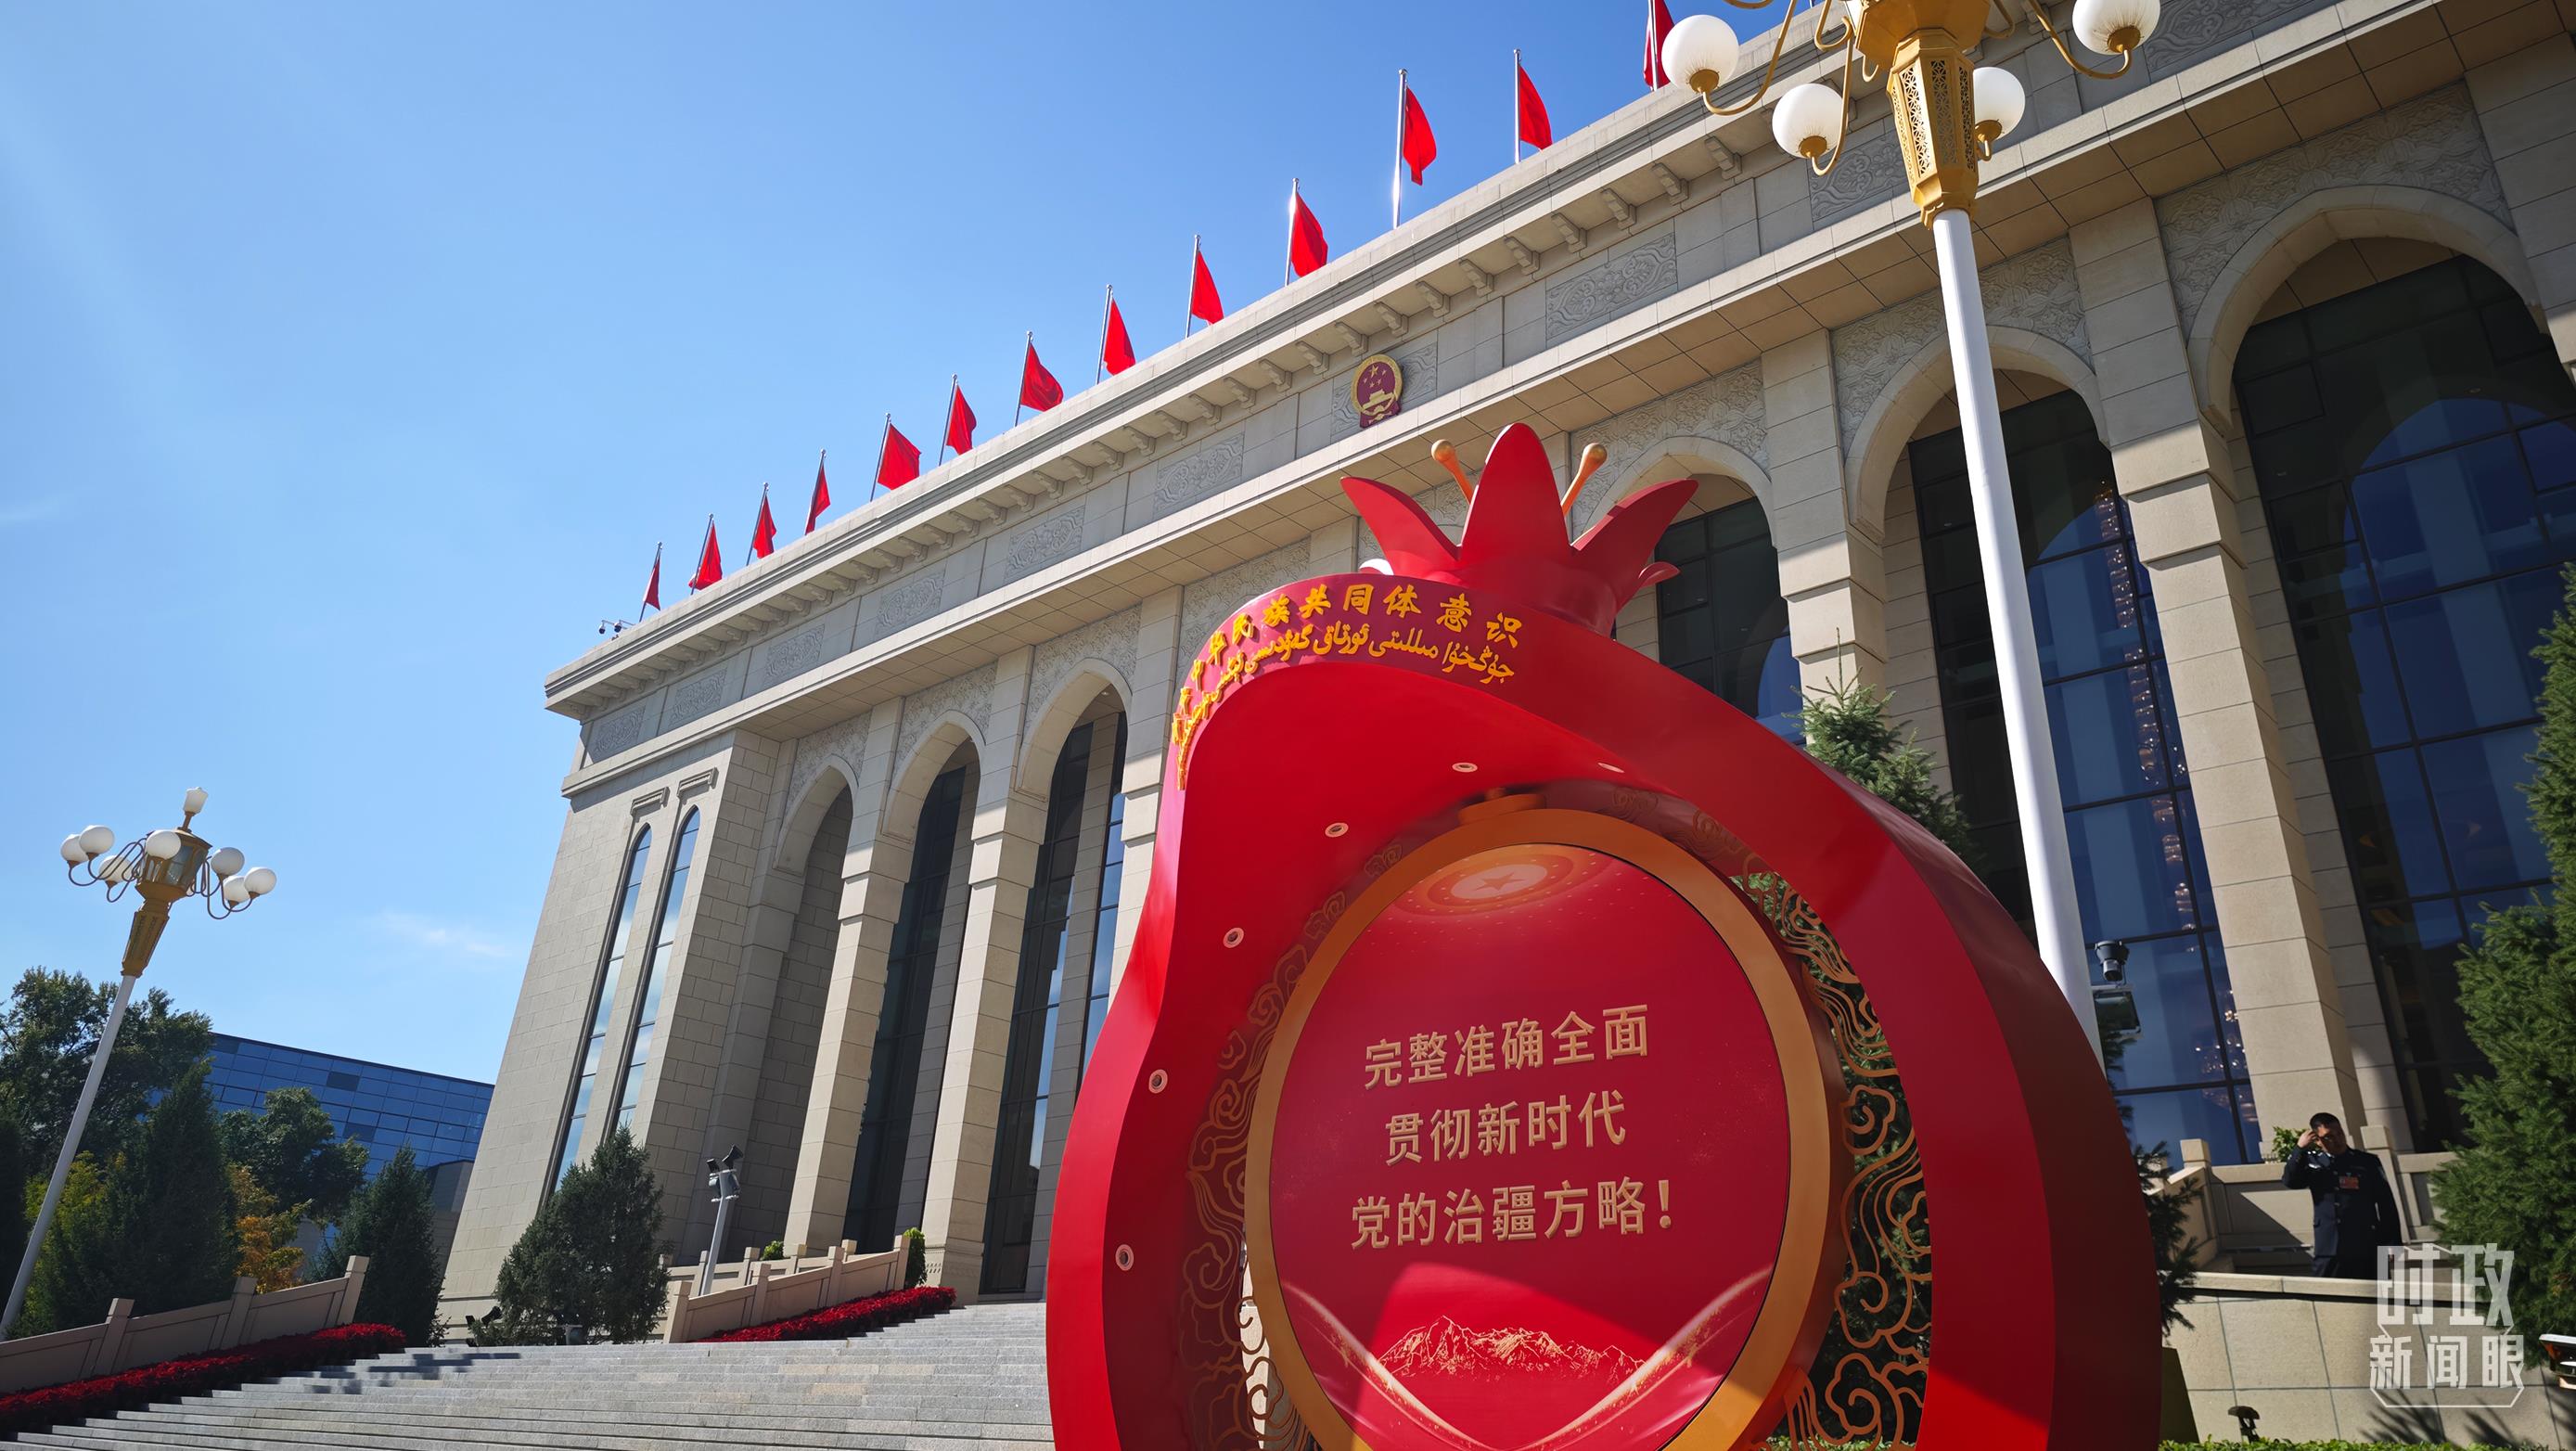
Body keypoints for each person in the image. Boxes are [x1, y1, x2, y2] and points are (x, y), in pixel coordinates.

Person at [2281, 1111, 2402, 1278]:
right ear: (2318, 1140)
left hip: (2367, 1242)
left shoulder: (2367, 1161)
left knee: (2380, 1292)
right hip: (2330, 1246)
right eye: (2329, 1136)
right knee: (2325, 1292)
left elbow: (2386, 1203)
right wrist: (2299, 1149)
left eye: (2340, 1133)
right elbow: (2291, 1182)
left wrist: (2392, 1244)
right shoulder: (2313, 1162)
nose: (2337, 1139)